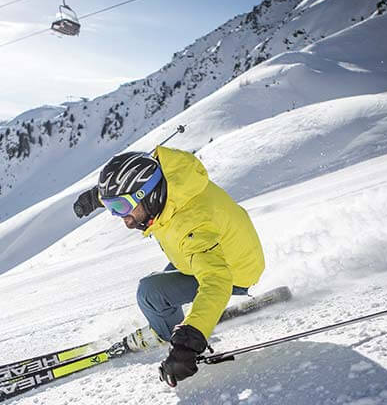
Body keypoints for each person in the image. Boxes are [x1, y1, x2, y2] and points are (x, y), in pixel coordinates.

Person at [73, 147, 265, 386]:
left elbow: (217, 281)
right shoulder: (170, 182)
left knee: (151, 293)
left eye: (121, 208)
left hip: (233, 270)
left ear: (147, 195)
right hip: (223, 251)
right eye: (113, 208)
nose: (122, 218)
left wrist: (188, 344)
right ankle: (175, 320)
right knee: (161, 285)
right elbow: (132, 186)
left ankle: (166, 334)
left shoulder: (190, 224)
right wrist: (97, 197)